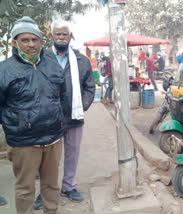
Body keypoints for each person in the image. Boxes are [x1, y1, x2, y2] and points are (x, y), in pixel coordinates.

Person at [0, 16, 65, 214]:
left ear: (40, 40)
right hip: (24, 143)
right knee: (25, 189)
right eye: (25, 40)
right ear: (15, 42)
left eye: (34, 39)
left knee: (51, 186)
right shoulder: (4, 70)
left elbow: (62, 96)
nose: (31, 44)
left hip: (53, 139)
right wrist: (17, 126)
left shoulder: (52, 65)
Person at [34, 19, 95, 209]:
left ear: (70, 36)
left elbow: (90, 87)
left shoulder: (81, 60)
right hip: (48, 117)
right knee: (47, 157)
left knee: (72, 154)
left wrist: (82, 105)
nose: (61, 37)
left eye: (64, 34)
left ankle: (68, 186)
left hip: (73, 116)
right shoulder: (42, 59)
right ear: (52, 36)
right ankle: (45, 191)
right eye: (58, 34)